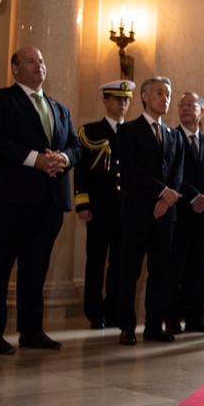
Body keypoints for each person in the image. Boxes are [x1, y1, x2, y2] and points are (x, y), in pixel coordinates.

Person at [0, 46, 82, 354]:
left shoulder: (59, 108)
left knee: (36, 268)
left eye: (42, 61)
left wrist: (62, 157)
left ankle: (31, 330)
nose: (39, 65)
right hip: (8, 198)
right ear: (15, 68)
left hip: (48, 200)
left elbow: (75, 145)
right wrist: (35, 159)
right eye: (31, 61)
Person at [115, 76, 184, 346]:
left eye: (168, 94)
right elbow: (132, 170)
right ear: (144, 96)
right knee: (130, 271)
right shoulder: (128, 130)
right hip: (137, 211)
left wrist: (167, 198)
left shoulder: (174, 135)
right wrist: (160, 191)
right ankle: (127, 327)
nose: (165, 98)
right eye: (159, 93)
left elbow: (178, 172)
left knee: (160, 272)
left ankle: (154, 326)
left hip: (165, 213)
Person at [75, 80, 134, 330]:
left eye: (126, 99)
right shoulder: (90, 132)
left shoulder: (132, 132)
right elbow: (81, 172)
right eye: (117, 99)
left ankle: (114, 310)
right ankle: (94, 312)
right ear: (106, 101)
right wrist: (82, 204)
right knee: (96, 262)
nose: (122, 104)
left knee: (120, 265)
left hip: (126, 211)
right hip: (99, 209)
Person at [166, 92, 204, 335]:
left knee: (198, 267)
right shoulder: (172, 137)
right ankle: (173, 318)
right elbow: (173, 175)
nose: (186, 108)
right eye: (182, 105)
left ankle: (195, 317)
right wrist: (194, 195)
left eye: (191, 104)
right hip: (180, 212)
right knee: (175, 267)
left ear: (202, 111)